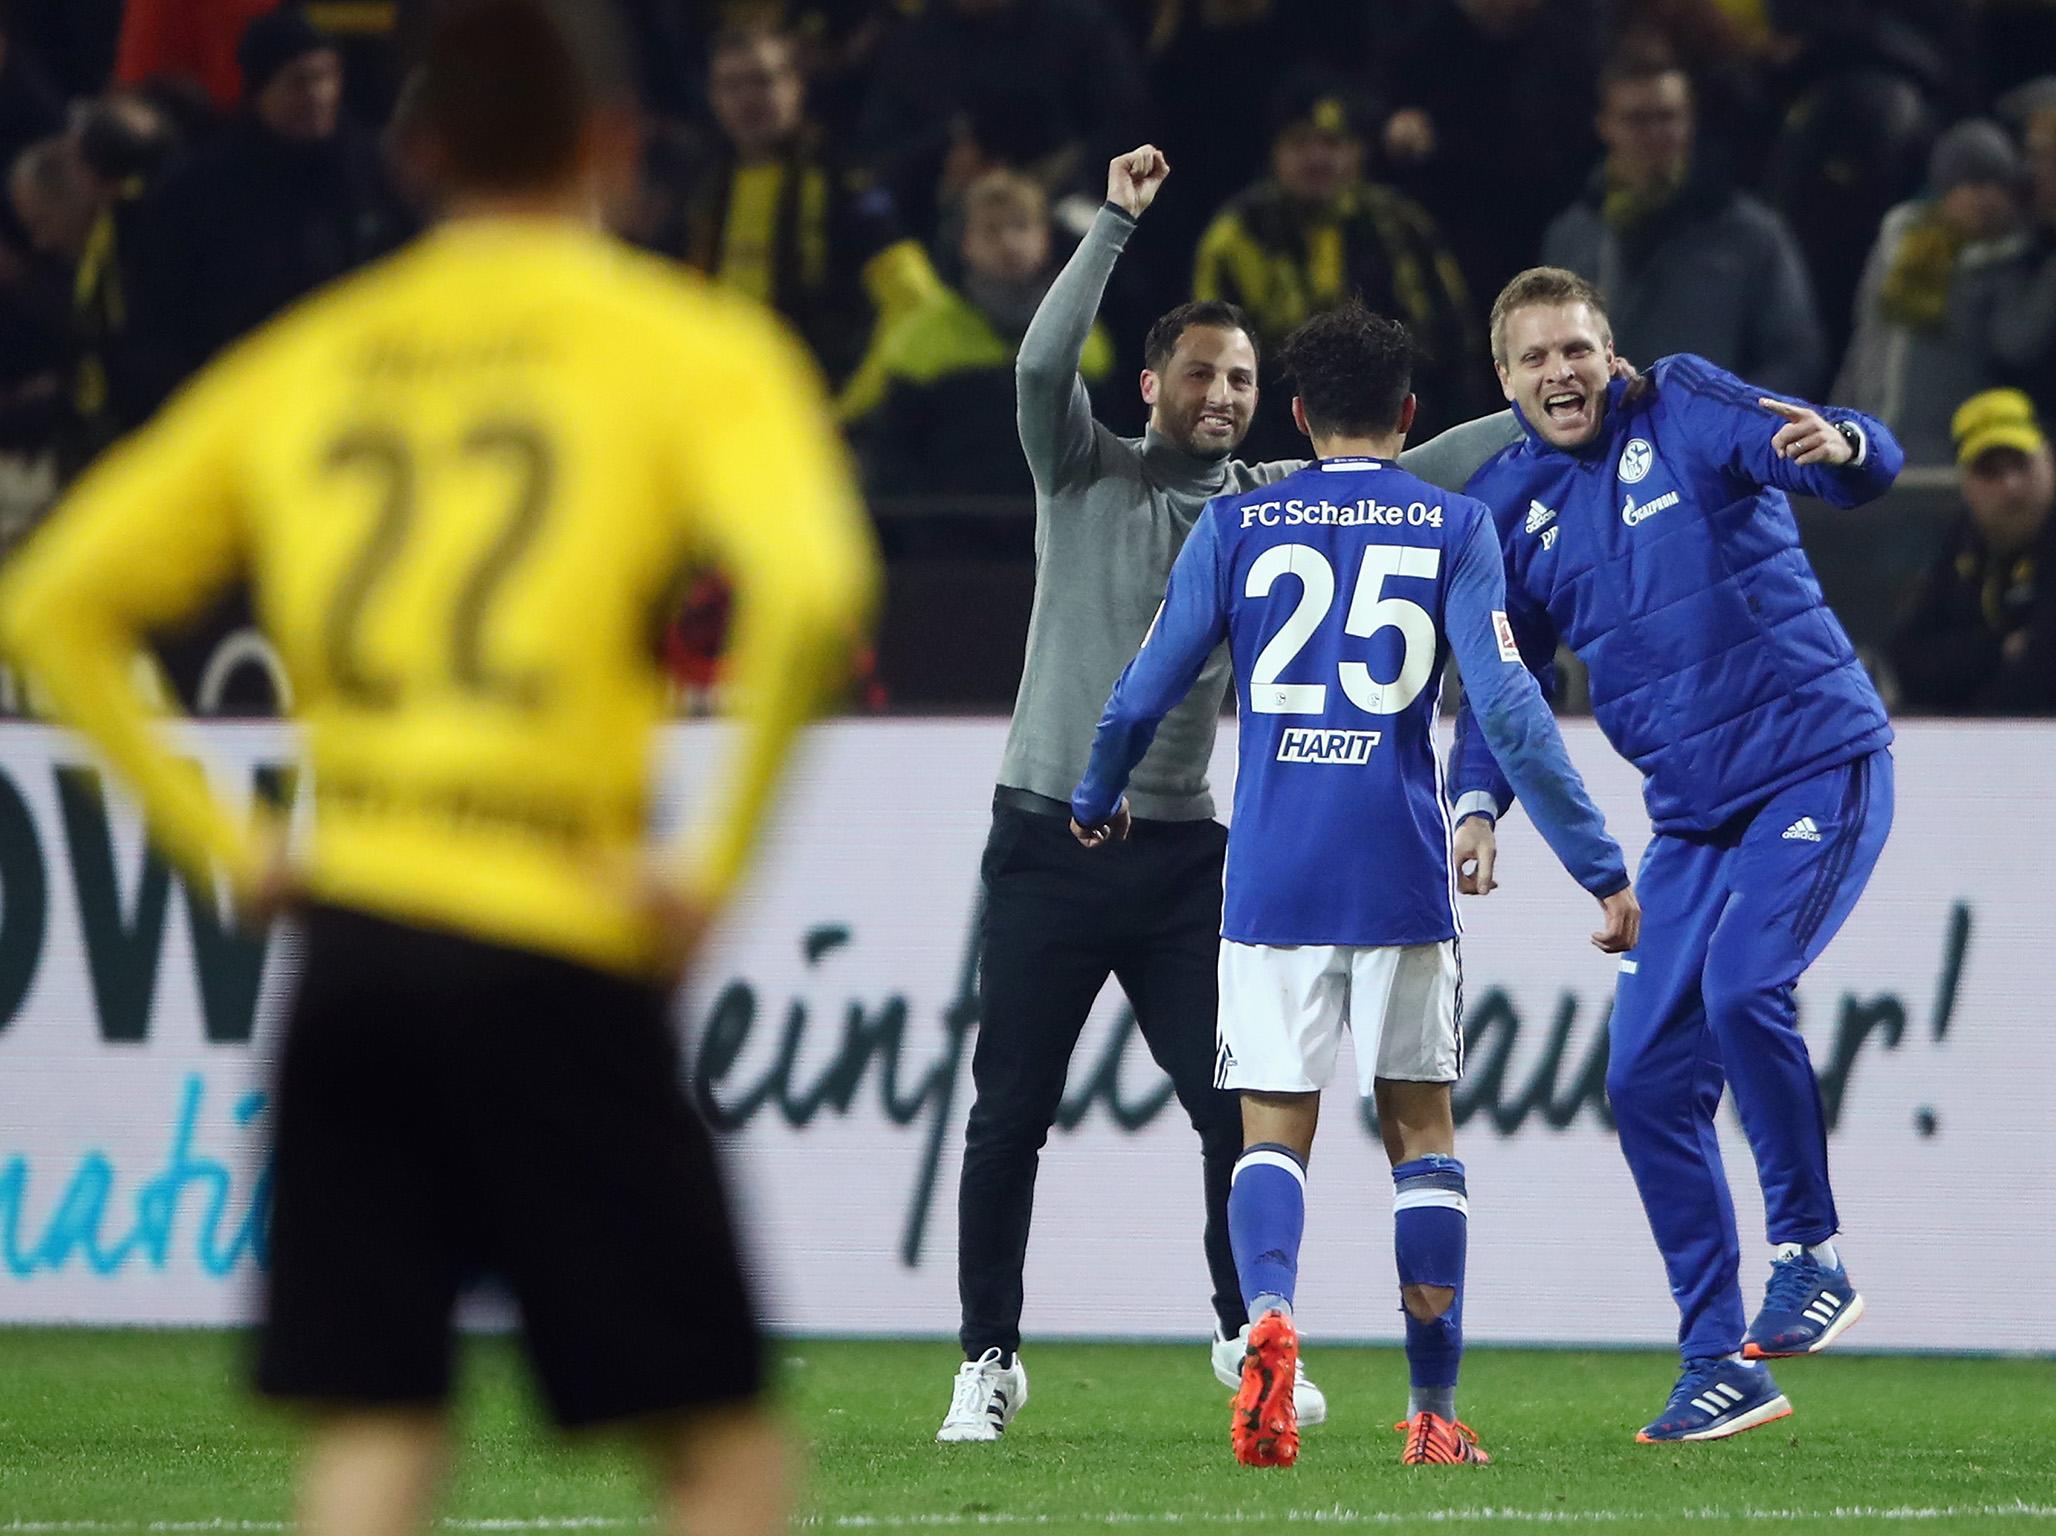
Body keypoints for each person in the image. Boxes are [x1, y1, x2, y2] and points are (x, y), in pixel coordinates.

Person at [0, 2, 879, 1532]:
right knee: (713, 1443)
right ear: (614, 143)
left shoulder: (314, 362)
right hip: (557, 923)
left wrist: (226, 846)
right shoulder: (689, 346)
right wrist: (710, 874)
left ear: (414, 157)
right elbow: (811, 597)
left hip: (355, 933)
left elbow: (52, 608)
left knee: (376, 1427)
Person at [935, 142, 1522, 1446]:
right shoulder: (1080, 466)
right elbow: (1038, 368)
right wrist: (1115, 226)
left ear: (1271, 406)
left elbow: (1420, 478)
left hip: (1180, 853)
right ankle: (988, 1357)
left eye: (1243, 377)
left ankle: (1241, 1331)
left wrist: (1540, 412)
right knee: (1008, 1113)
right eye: (1199, 369)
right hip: (1045, 837)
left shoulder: (1269, 506)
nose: (1220, 390)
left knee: (1232, 1101)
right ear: (1151, 386)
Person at [1068, 300, 1638, 1469]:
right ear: (1410, 414)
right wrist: (1597, 862)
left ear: (1294, 413)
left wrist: (1095, 791)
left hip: (1273, 876)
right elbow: (1512, 710)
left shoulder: (1237, 522)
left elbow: (1147, 682)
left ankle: (1268, 1320)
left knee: (1271, 1131)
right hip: (1395, 871)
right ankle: (1430, 1414)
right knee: (1420, 1135)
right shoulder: (1451, 524)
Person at [1450, 267, 1903, 1443]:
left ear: (1614, 353)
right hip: (1696, 819)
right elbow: (1507, 681)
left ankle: (1811, 1252)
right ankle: (1719, 1361)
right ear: (1502, 381)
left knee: (1748, 986)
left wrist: (1847, 444)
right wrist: (1477, 803)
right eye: (1535, 358)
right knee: (1645, 1078)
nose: (1560, 373)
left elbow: (1841, 463)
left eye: (1577, 350)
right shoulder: (1510, 502)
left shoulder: (1687, 405)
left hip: (1813, 761)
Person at [124, 6, 413, 408]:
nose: (316, 95)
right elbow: (158, 314)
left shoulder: (376, 170)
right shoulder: (202, 188)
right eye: (298, 82)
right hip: (241, 393)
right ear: (262, 89)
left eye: (325, 77)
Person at [1193, 81, 1486, 458]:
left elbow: (1454, 339)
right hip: (1274, 444)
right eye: (1300, 143)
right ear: (1275, 153)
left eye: (1332, 143)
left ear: (1359, 152)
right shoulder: (1237, 234)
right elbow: (1208, 350)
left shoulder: (1398, 225)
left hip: (1403, 435)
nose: (1317, 158)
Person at [659, 23, 939, 400]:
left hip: (814, 407)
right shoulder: (697, 186)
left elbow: (915, 300)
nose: (747, 99)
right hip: (718, 405)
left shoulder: (842, 181)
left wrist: (855, 405)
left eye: (762, 80)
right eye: (731, 85)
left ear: (796, 85)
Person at [1540, 54, 1826, 402]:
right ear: (1605, 126)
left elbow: (1795, 355)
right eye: (1638, 120)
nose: (1656, 134)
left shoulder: (1751, 234)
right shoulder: (1573, 235)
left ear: (1690, 121)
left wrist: (1725, 412)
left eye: (1668, 117)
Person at [848, 168, 1112, 495]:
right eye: (991, 230)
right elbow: (894, 463)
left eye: (1021, 225)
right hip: (952, 536)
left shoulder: (1084, 332)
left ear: (1045, 237)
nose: (1009, 242)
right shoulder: (921, 337)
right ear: (966, 243)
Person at [1833, 118, 2032, 466]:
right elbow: (1867, 338)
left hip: (1948, 449)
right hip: (1873, 432)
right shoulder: (1898, 245)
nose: (1985, 197)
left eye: (1997, 184)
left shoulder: (2005, 261)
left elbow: (2013, 341)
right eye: (1972, 182)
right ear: (1945, 188)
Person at [1888, 388, 2056, 713]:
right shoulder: (1962, 544)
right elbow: (1907, 660)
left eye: (2021, 465)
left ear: (2049, 461)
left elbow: (2043, 667)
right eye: (1989, 471)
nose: (2011, 486)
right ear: (1966, 485)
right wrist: (1998, 649)